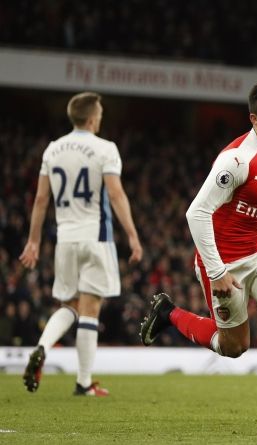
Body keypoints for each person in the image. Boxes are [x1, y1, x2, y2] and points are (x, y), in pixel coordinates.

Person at [139, 82, 257, 427]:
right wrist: (216, 272)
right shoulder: (236, 160)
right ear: (255, 120)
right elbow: (196, 213)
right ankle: (168, 313)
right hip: (224, 259)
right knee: (233, 346)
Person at [19, 91, 143, 396]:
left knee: (70, 305)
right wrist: (132, 234)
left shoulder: (53, 149)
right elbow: (115, 194)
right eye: (99, 113)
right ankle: (84, 382)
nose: (101, 117)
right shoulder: (105, 149)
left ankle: (42, 346)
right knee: (90, 308)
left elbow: (41, 199)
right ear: (91, 118)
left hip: (65, 240)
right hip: (95, 237)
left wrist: (33, 241)